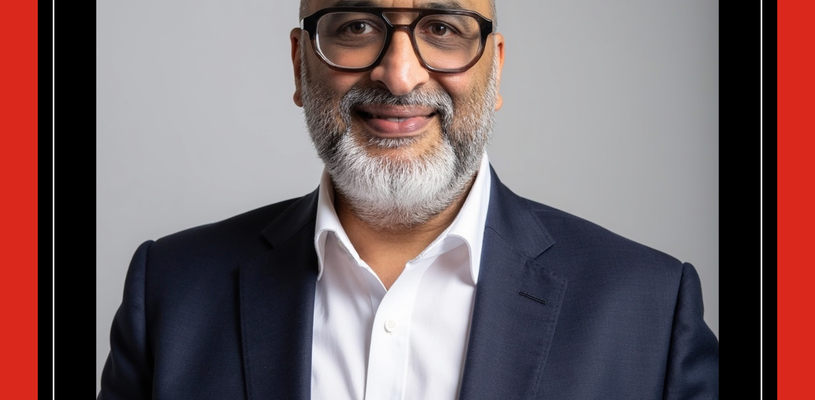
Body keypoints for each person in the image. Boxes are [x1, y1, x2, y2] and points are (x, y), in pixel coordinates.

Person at [98, 0, 719, 398]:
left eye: (443, 29)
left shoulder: (650, 308)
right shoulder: (172, 291)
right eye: (357, 26)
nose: (399, 75)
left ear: (494, 69)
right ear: (298, 64)